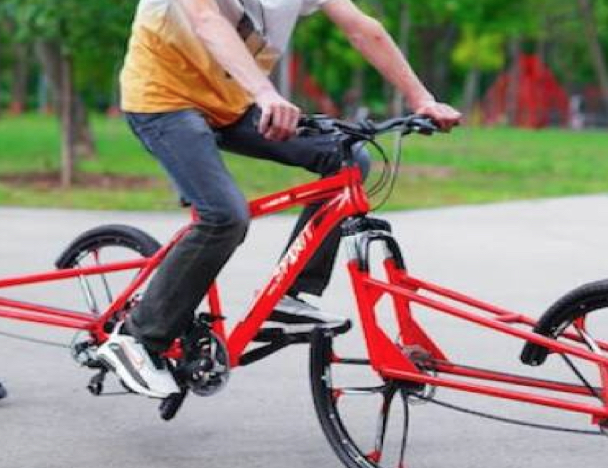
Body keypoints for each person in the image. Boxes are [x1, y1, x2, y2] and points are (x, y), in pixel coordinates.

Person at [98, 0, 461, 398]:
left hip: (235, 106)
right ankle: (138, 338)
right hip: (164, 102)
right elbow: (206, 20)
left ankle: (289, 294)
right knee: (225, 216)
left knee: (347, 158)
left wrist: (421, 99)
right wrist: (266, 93)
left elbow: (361, 27)